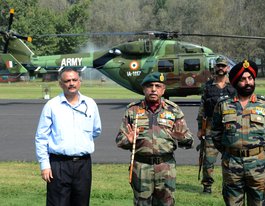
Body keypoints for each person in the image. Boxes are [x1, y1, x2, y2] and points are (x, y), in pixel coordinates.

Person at [116, 72, 194, 206]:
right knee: (141, 203)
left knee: (166, 203)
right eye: (149, 86)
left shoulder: (173, 110)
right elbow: (120, 140)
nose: (153, 89)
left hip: (166, 166)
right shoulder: (132, 110)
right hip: (141, 166)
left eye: (158, 86)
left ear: (163, 90)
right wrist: (127, 140)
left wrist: (182, 138)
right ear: (143, 89)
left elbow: (189, 140)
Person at [211, 60, 265, 205]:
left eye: (250, 78)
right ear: (236, 82)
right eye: (243, 79)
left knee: (258, 202)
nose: (247, 82)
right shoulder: (223, 104)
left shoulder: (264, 104)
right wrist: (228, 151)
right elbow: (216, 132)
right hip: (232, 164)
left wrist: (261, 152)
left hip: (258, 164)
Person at [35, 68, 102, 206]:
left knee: (81, 203)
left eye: (74, 80)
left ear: (80, 82)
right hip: (58, 165)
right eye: (67, 81)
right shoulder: (52, 106)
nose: (71, 83)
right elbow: (41, 138)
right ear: (61, 84)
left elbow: (96, 130)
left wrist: (79, 142)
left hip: (83, 164)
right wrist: (44, 165)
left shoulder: (90, 104)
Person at [196, 56, 236, 194]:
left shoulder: (233, 87)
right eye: (218, 66)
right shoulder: (207, 86)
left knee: (231, 159)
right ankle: (207, 186)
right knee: (208, 160)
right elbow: (202, 109)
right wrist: (200, 128)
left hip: (229, 128)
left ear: (227, 68)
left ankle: (231, 185)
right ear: (215, 67)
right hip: (210, 128)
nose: (220, 68)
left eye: (223, 66)